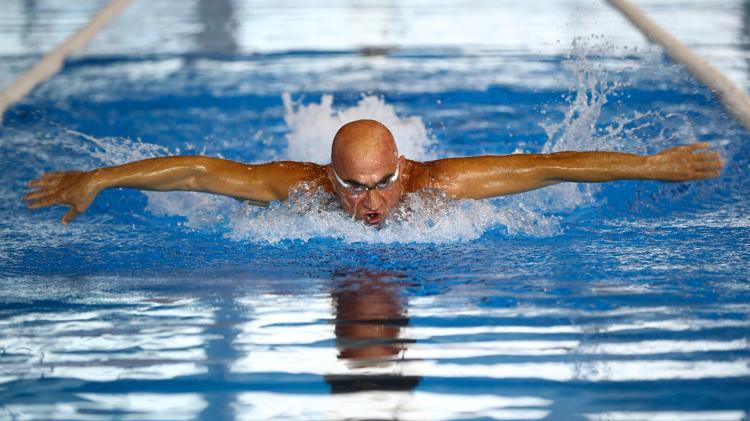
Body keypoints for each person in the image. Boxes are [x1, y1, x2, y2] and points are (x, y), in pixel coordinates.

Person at [24, 119, 724, 226]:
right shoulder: (297, 184)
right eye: (352, 187)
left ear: (402, 166)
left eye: (381, 183)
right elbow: (202, 173)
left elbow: (550, 166)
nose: (371, 204)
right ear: (329, 175)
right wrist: (101, 178)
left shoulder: (437, 183)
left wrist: (649, 166)